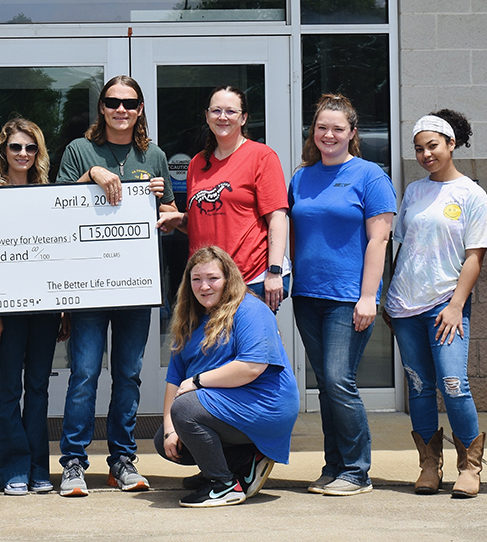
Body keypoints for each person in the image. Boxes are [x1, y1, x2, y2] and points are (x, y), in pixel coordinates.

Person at [54, 75, 175, 497]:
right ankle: (72, 463)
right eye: (112, 102)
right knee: (85, 373)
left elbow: (171, 213)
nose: (121, 110)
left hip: (136, 285)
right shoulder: (79, 150)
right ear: (101, 108)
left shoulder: (153, 155)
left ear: (140, 109)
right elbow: (55, 206)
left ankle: (122, 460)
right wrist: (91, 172)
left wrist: (167, 205)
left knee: (128, 374)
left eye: (129, 103)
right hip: (89, 283)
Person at [288, 93, 396, 497]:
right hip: (308, 296)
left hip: (348, 296)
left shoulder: (370, 176)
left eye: (337, 128)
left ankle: (356, 470)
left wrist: (368, 297)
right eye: (321, 128)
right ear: (312, 132)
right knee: (328, 385)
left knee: (338, 379)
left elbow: (378, 241)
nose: (328, 134)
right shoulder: (302, 176)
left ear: (352, 133)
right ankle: (333, 465)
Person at [385, 110, 487, 497]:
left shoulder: (472, 194)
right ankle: (430, 464)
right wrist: (388, 299)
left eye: (433, 146)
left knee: (453, 383)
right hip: (405, 305)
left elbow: (475, 255)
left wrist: (456, 304)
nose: (426, 154)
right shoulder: (414, 191)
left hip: (445, 304)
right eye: (419, 148)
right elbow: (401, 248)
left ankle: (470, 465)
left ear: (451, 144)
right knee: (419, 386)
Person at [155, 246, 299, 507]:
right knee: (167, 435)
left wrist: (198, 381)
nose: (204, 286)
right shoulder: (190, 319)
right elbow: (174, 380)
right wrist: (168, 431)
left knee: (186, 410)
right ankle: (242, 461)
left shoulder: (250, 310)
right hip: (230, 403)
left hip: (265, 403)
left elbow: (252, 367)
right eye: (196, 279)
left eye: (213, 278)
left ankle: (223, 485)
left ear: (228, 279)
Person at [0, 118, 71, 495]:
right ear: (4, 151)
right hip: (8, 310)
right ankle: (13, 469)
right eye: (16, 147)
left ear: (39, 153)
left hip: (47, 310)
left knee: (38, 387)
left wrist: (66, 307)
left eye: (30, 147)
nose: (22, 154)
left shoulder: (50, 194)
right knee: (8, 388)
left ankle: (39, 469)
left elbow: (61, 254)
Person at [157, 85, 290, 311]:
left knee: (246, 346)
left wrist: (274, 271)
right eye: (216, 111)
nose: (223, 117)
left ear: (244, 118)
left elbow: (277, 217)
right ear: (207, 117)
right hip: (206, 283)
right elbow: (204, 220)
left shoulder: (262, 156)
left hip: (250, 279)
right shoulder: (196, 163)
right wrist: (178, 220)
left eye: (231, 111)